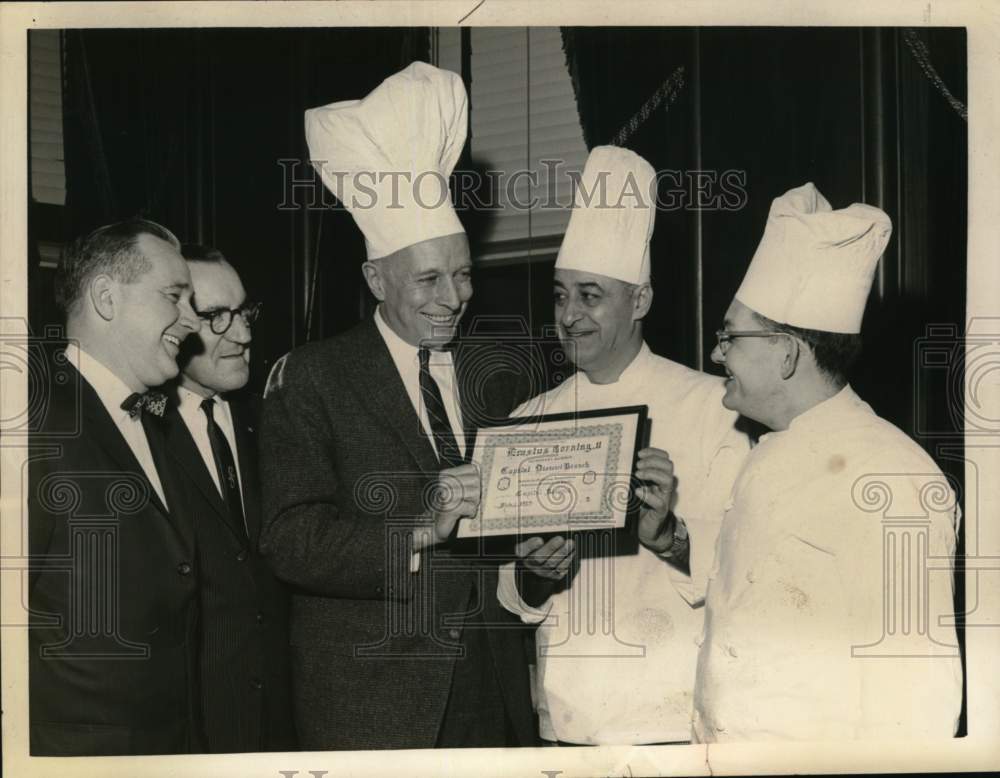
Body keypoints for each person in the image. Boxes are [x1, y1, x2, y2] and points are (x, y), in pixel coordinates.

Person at [258, 61, 537, 750]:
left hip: (490, 689)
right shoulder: (311, 377)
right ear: (374, 278)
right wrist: (421, 527)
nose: (453, 298)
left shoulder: (498, 376)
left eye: (465, 274)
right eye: (430, 279)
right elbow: (291, 542)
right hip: (374, 702)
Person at [687, 182, 963, 741]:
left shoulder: (895, 482)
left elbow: (919, 706)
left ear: (786, 354)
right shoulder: (764, 449)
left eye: (729, 337)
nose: (717, 353)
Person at [496, 146, 750, 745]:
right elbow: (513, 594)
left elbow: (744, 573)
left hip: (673, 720)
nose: (569, 316)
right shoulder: (530, 421)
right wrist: (533, 574)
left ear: (640, 301)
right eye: (560, 295)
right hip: (568, 723)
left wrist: (669, 535)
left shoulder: (715, 411)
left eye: (590, 296)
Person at [29, 218, 202, 755]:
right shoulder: (33, 425)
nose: (193, 321)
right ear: (106, 297)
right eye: (175, 296)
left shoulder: (153, 423)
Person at [153, 245, 296, 752]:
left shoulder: (275, 420)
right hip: (192, 731)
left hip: (282, 726)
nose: (244, 334)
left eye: (244, 312)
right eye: (216, 317)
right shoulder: (140, 435)